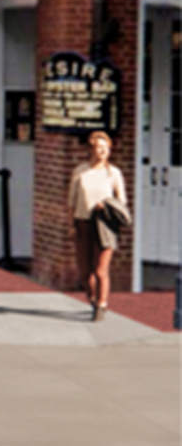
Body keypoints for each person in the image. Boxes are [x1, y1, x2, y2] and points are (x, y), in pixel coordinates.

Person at [69, 130, 128, 321]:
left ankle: (102, 305)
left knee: (100, 270)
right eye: (98, 148)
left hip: (105, 225)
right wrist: (72, 224)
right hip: (84, 222)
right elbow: (72, 201)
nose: (102, 151)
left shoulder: (114, 173)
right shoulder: (80, 172)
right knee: (85, 271)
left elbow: (122, 202)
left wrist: (108, 206)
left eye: (105, 148)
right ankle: (93, 298)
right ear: (91, 150)